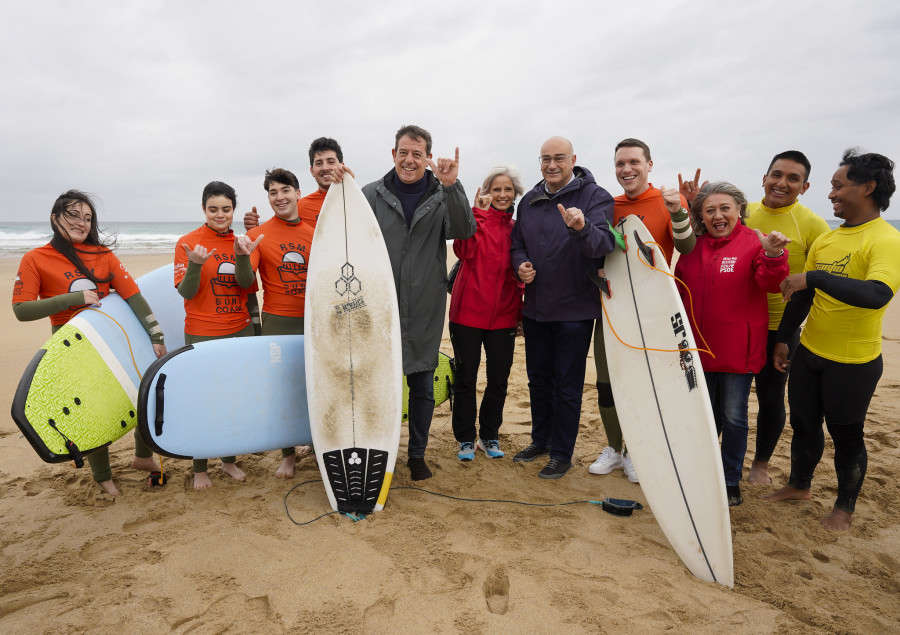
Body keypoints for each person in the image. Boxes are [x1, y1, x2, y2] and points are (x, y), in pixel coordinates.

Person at [331, 124, 475, 480]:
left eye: (417, 154)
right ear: (393, 154)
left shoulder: (443, 194)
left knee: (422, 384)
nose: (409, 160)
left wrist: (452, 186)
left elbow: (464, 229)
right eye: (403, 152)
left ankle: (416, 455)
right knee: (374, 381)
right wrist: (340, 186)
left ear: (428, 158)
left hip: (425, 303)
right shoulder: (370, 194)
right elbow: (342, 231)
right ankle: (376, 448)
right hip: (377, 304)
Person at [766, 150, 899, 530]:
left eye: (838, 186)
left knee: (845, 434)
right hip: (809, 352)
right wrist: (783, 338)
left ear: (868, 187)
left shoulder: (886, 240)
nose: (831, 195)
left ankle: (844, 506)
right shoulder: (829, 240)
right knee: (805, 424)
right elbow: (804, 296)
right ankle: (799, 485)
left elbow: (876, 294)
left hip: (853, 362)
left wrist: (815, 278)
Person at [12, 190, 167, 497]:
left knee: (140, 395)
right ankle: (102, 475)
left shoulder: (103, 255)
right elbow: (21, 310)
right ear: (56, 217)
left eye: (87, 217)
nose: (81, 222)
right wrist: (73, 299)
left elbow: (134, 298)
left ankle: (143, 456)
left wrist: (156, 336)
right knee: (94, 410)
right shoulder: (36, 259)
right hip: (73, 348)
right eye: (73, 214)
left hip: (114, 339)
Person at [674, 182, 790, 506]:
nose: (718, 215)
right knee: (704, 417)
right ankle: (701, 473)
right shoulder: (692, 247)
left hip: (738, 352)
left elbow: (769, 283)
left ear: (740, 209)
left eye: (725, 208)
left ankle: (728, 481)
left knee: (735, 417)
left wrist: (774, 253)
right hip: (698, 351)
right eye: (709, 210)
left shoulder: (754, 242)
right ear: (701, 216)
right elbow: (679, 293)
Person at [509, 136, 617, 479]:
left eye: (559, 158)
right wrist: (521, 265)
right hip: (536, 307)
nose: (551, 165)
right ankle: (540, 440)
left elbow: (604, 244)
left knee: (566, 386)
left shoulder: (595, 196)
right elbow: (517, 244)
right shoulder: (528, 200)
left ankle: (561, 453)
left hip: (575, 309)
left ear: (573, 160)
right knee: (538, 380)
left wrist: (582, 227)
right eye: (545, 159)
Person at [588, 138, 695, 483]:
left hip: (651, 308)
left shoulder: (666, 202)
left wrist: (679, 210)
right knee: (607, 382)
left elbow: (687, 246)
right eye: (620, 163)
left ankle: (636, 452)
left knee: (644, 383)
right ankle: (613, 450)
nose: (626, 169)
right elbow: (595, 248)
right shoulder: (607, 203)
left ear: (649, 165)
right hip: (612, 305)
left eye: (634, 161)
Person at [744, 151, 830, 485]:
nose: (782, 183)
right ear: (763, 178)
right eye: (776, 175)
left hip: (781, 327)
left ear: (805, 186)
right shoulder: (743, 213)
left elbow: (814, 285)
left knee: (770, 396)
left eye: (793, 179)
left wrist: (785, 336)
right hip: (737, 322)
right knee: (721, 394)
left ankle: (761, 463)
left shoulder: (813, 225)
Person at [175, 181, 258, 490]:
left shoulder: (242, 241)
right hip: (201, 332)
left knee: (232, 399)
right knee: (203, 401)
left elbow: (246, 284)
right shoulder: (188, 242)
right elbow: (186, 291)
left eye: (226, 209)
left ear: (233, 210)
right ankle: (199, 469)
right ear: (203, 209)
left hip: (239, 329)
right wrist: (195, 265)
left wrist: (242, 255)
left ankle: (228, 460)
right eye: (213, 209)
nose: (220, 215)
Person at [236, 168, 315, 478]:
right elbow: (245, 283)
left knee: (314, 386)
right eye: (273, 192)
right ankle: (288, 456)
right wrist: (243, 256)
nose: (279, 197)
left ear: (297, 193)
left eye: (285, 190)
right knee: (283, 391)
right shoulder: (258, 235)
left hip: (314, 322)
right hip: (278, 322)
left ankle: (315, 441)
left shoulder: (314, 233)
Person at [449, 164, 525, 461]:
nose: (502, 194)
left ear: (515, 193)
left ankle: (489, 435)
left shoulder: (518, 229)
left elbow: (519, 271)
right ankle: (466, 439)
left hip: (504, 315)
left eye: (507, 189)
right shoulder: (474, 219)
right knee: (466, 378)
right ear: (487, 192)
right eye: (496, 189)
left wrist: (519, 312)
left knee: (499, 379)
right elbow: (462, 251)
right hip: (467, 313)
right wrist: (477, 213)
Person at [243, 137, 351, 231]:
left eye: (331, 162)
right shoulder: (300, 207)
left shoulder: (358, 199)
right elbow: (279, 234)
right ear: (312, 170)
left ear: (342, 165)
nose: (325, 168)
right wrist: (254, 229)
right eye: (319, 163)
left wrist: (350, 184)